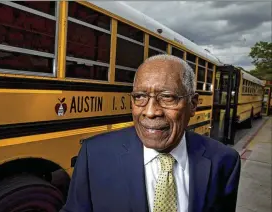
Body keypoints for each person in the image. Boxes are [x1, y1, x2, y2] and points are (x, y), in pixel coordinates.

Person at [60, 54, 241, 212]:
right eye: (140, 97)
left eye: (167, 97)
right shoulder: (94, 155)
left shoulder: (224, 161)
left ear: (193, 104)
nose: (150, 111)